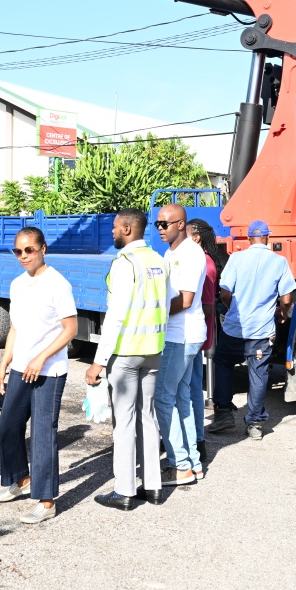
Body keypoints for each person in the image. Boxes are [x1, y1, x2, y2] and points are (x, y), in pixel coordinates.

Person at [0, 227, 78, 524]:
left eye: (29, 250)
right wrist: (3, 365)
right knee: (8, 425)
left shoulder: (58, 284)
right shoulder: (17, 284)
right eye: (18, 251)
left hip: (49, 372)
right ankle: (21, 480)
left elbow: (70, 329)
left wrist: (42, 358)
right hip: (20, 368)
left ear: (43, 249)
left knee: (43, 434)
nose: (23, 256)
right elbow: (16, 327)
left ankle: (46, 501)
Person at [86, 208, 168, 511]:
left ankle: (124, 491)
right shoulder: (159, 262)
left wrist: (98, 360)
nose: (112, 232)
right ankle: (153, 487)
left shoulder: (125, 263)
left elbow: (116, 316)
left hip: (127, 352)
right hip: (153, 351)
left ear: (129, 229)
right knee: (148, 416)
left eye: (115, 227)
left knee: (125, 422)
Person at [208, 220, 296, 441]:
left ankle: (224, 413)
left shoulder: (237, 259)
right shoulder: (279, 262)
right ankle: (255, 424)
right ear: (268, 238)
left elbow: (225, 293)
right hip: (261, 331)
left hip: (234, 328)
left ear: (249, 239)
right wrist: (284, 314)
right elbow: (286, 299)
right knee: (259, 374)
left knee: (223, 364)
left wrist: (233, 311)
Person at [153, 204, 208, 487]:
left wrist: (152, 311)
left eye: (165, 223)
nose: (160, 228)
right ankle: (193, 464)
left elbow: (185, 300)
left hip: (181, 335)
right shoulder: (172, 252)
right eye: (157, 224)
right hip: (181, 334)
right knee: (180, 398)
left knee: (163, 398)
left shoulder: (189, 253)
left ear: (181, 224)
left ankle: (181, 466)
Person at [187, 218, 224, 467]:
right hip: (197, 334)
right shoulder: (204, 260)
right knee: (191, 391)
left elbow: (207, 306)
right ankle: (196, 442)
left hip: (193, 335)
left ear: (196, 237)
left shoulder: (204, 263)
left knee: (187, 392)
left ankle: (195, 444)